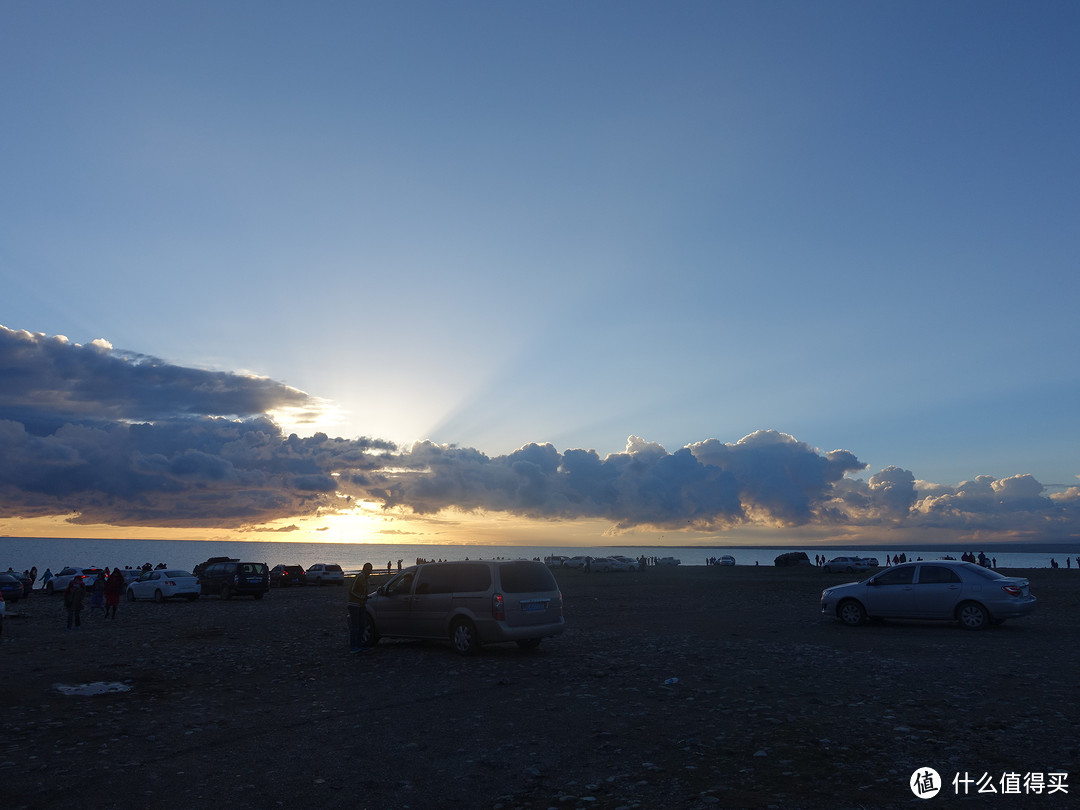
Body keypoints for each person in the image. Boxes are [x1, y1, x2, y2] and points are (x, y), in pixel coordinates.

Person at [348, 563, 373, 653]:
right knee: (355, 626)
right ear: (364, 569)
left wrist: (365, 597)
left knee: (362, 625)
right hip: (354, 604)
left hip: (362, 605)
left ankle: (359, 644)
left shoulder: (366, 579)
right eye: (369, 569)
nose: (370, 571)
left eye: (371, 569)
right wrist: (361, 596)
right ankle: (353, 646)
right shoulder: (360, 577)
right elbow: (351, 590)